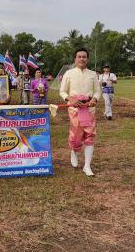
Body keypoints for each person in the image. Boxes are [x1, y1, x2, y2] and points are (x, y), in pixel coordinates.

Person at [59, 48, 101, 176]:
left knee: (90, 135)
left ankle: (87, 166)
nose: (82, 59)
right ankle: (74, 151)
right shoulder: (69, 73)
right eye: (79, 57)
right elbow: (62, 91)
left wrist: (94, 98)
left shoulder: (93, 74)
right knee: (76, 136)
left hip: (89, 109)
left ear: (87, 59)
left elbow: (98, 91)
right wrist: (70, 98)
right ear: (75, 59)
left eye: (84, 57)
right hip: (75, 109)